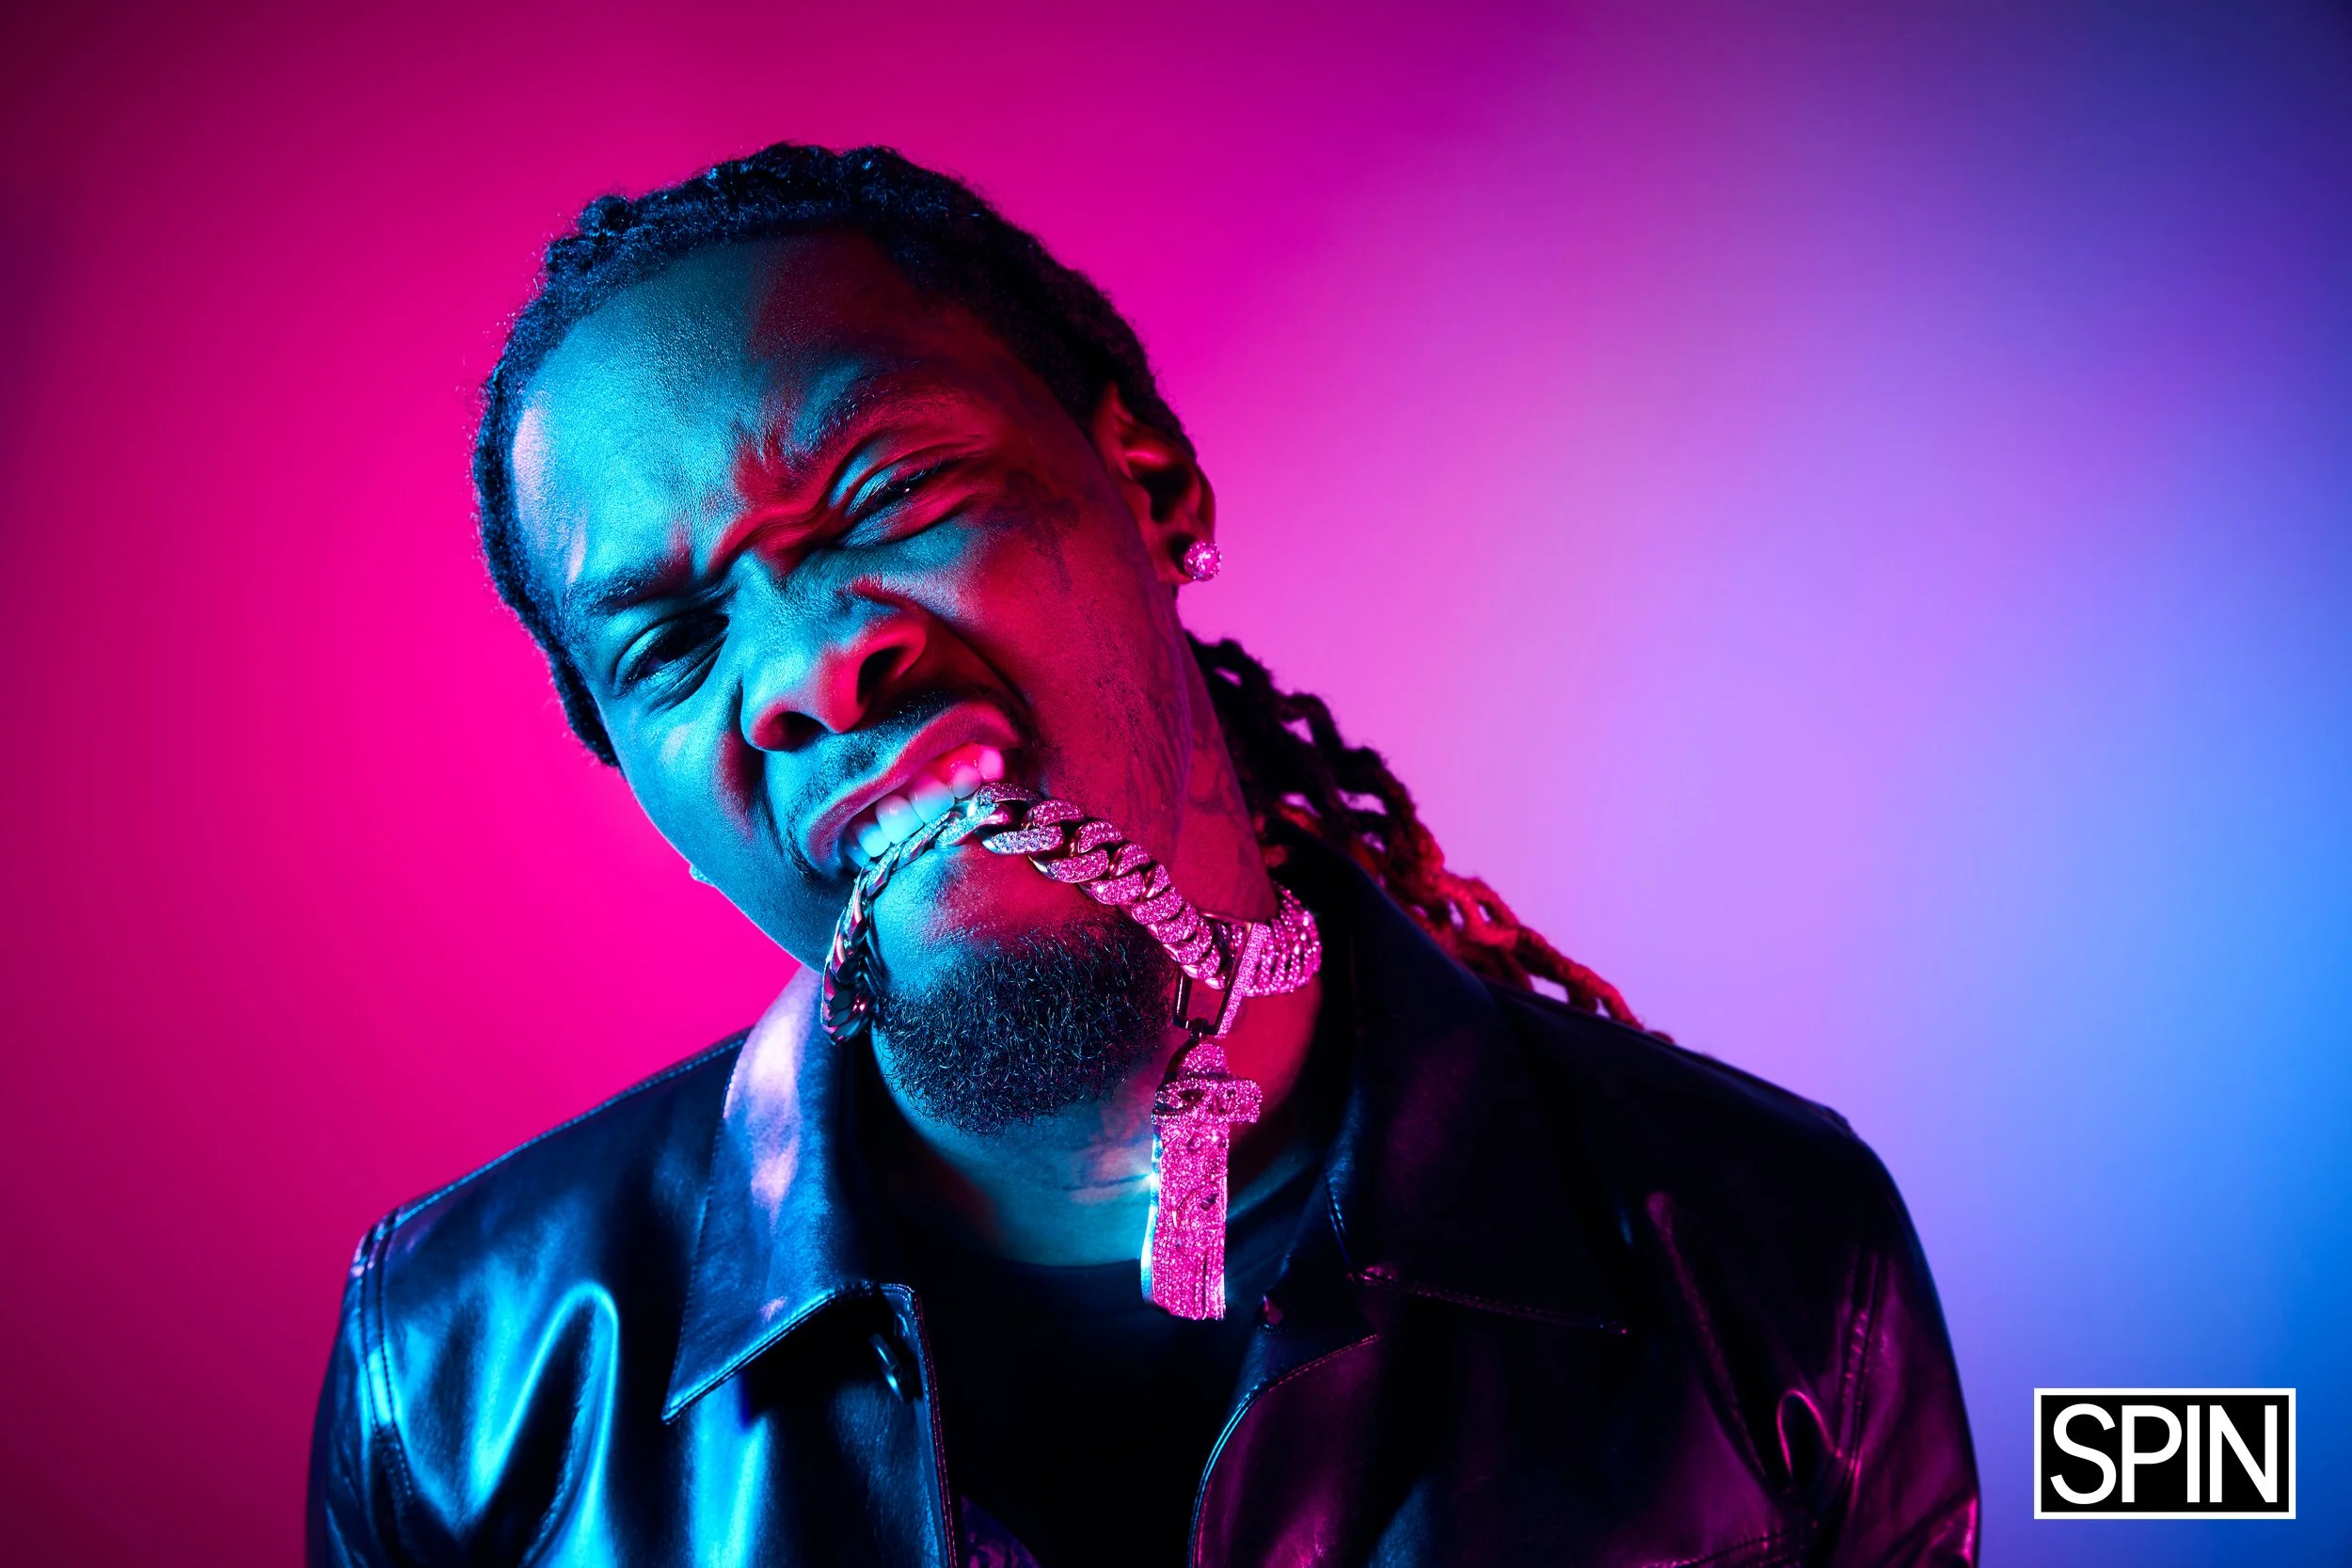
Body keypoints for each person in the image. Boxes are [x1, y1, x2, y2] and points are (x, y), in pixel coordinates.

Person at [307, 142, 1979, 1568]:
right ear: (638, 776)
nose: (811, 669)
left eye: (890, 492)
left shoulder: (1771, 1257)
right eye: (670, 645)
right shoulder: (451, 1374)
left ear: (1149, 482)